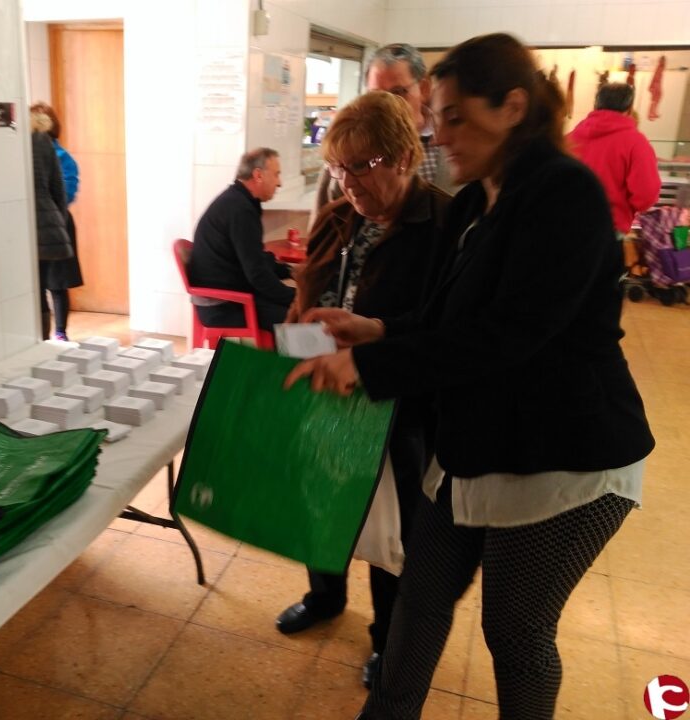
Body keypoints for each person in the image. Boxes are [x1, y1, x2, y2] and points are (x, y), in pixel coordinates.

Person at [285, 33, 654, 720]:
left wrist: (367, 364)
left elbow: (508, 336)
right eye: (437, 116)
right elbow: (445, 319)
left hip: (563, 456)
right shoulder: (474, 201)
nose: (440, 133)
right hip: (475, 443)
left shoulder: (564, 192)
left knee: (515, 633)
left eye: (454, 116)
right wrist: (376, 329)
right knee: (418, 601)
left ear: (512, 107)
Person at [274, 92, 452, 689]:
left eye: (361, 166)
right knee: (320, 503)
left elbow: (445, 331)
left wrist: (371, 341)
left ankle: (386, 639)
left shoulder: (444, 224)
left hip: (397, 402)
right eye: (338, 167)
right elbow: (308, 293)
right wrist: (293, 341)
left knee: (390, 529)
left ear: (404, 156)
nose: (347, 182)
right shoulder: (337, 215)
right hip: (326, 389)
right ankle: (324, 597)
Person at [310, 43, 456, 229]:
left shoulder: (452, 142)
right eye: (377, 95)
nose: (385, 105)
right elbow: (322, 223)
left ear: (424, 88)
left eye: (398, 93)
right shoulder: (346, 149)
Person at [188, 148, 294, 333]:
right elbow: (257, 274)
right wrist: (297, 298)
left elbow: (255, 259)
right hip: (223, 305)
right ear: (258, 175)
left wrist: (288, 271)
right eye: (276, 175)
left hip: (232, 295)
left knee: (296, 305)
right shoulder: (240, 209)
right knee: (300, 316)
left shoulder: (238, 201)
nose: (280, 183)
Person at [567, 83, 661, 236]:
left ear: (596, 105)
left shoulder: (569, 139)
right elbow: (646, 196)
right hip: (609, 229)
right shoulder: (636, 143)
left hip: (567, 225)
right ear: (629, 109)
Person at [31, 103, 84, 341]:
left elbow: (67, 193)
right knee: (39, 284)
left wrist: (53, 215)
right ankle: (44, 335)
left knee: (57, 283)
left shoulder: (62, 157)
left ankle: (60, 332)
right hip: (46, 224)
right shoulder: (25, 150)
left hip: (57, 225)